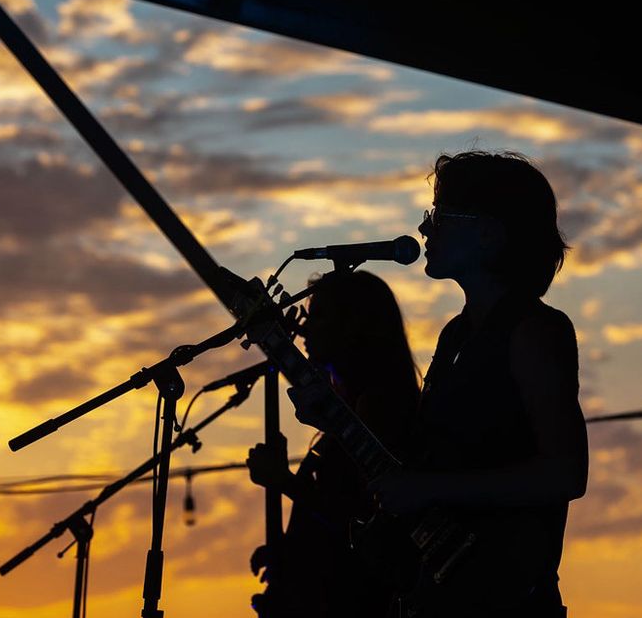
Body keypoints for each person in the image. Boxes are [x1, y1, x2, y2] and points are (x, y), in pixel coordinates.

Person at [369, 150, 588, 617]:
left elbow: (564, 473)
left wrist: (431, 489)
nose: (426, 229)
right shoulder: (455, 334)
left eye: (442, 216)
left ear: (490, 234)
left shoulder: (535, 330)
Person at [246, 270, 421, 618]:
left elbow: (366, 517)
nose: (307, 328)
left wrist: (284, 482)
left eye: (320, 316)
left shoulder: (379, 405)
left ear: (355, 325)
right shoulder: (352, 409)